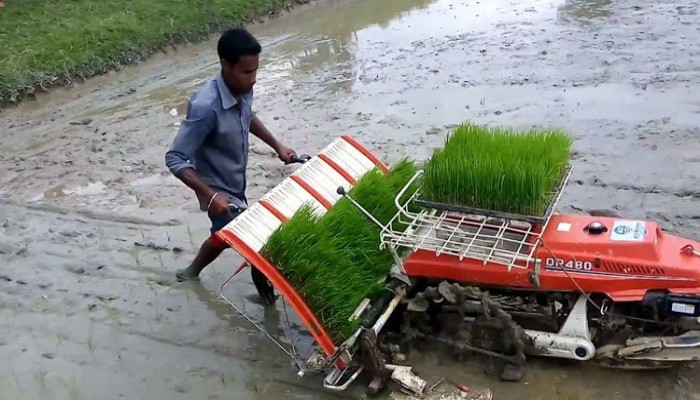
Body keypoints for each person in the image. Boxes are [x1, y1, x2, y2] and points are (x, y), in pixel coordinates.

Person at [165, 27, 296, 283]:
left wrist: (277, 145)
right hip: (215, 186)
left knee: (224, 235)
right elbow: (175, 158)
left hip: (236, 176)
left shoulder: (243, 88)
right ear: (225, 65)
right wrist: (211, 196)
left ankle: (191, 273)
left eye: (256, 70)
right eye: (247, 72)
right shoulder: (205, 107)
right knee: (251, 238)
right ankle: (262, 285)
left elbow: (247, 117)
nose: (254, 78)